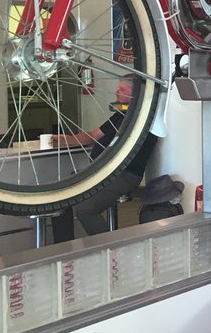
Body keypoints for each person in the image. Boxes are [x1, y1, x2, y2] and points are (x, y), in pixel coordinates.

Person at [50, 79, 156, 240]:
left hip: (123, 174)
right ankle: (64, 246)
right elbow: (93, 135)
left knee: (85, 210)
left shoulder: (142, 118)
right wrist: (64, 140)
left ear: (136, 94)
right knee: (60, 195)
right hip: (101, 171)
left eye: (122, 89)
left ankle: (111, 249)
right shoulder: (121, 115)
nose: (116, 92)